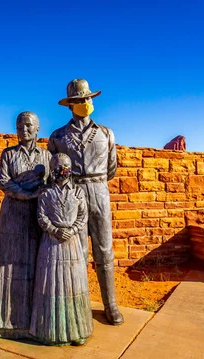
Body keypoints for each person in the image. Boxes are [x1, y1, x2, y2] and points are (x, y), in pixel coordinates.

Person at [48, 79, 124, 325]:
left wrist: (96, 183)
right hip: (73, 193)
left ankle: (110, 304)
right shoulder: (58, 136)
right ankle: (79, 305)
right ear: (71, 105)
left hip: (99, 191)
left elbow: (111, 169)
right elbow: (53, 169)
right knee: (77, 252)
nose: (86, 103)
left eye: (89, 98)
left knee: (105, 250)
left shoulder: (105, 133)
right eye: (81, 100)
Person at [0, 111, 52, 339]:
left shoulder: (46, 156)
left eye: (29, 125)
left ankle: (32, 321)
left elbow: (51, 183)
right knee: (7, 264)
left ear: (38, 129)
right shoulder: (8, 154)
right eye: (20, 125)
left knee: (34, 264)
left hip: (36, 215)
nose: (24, 129)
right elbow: (3, 181)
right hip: (13, 214)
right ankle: (0, 322)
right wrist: (25, 193)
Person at [30, 153, 93, 346]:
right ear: (51, 169)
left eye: (65, 166)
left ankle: (77, 330)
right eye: (57, 166)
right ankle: (49, 331)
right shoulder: (46, 193)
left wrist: (71, 230)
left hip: (71, 243)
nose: (62, 169)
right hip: (51, 243)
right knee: (51, 283)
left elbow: (83, 216)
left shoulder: (78, 192)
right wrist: (55, 230)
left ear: (71, 168)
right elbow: (41, 217)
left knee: (73, 283)